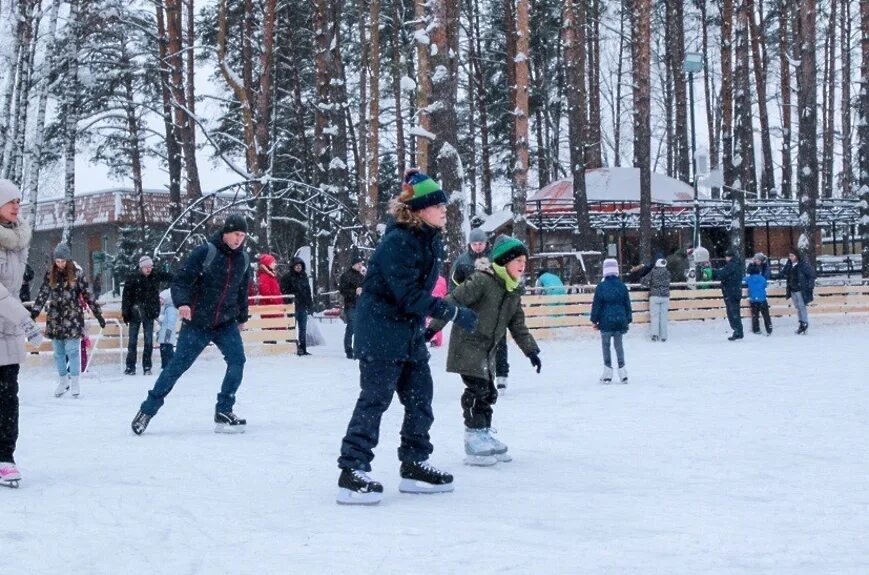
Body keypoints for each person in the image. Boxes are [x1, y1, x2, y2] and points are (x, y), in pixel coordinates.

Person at [336, 169, 478, 505]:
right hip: (380, 332)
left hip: (407, 332)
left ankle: (414, 463)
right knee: (375, 400)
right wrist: (453, 312)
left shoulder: (428, 238)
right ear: (418, 210)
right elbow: (407, 295)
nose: (444, 209)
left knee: (420, 398)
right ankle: (352, 470)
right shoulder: (398, 241)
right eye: (437, 204)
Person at [130, 213, 251, 435]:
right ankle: (147, 410)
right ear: (225, 232)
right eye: (235, 234)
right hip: (198, 322)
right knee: (177, 367)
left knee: (238, 361)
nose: (238, 239)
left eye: (242, 235)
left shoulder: (243, 260)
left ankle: (224, 409)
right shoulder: (205, 252)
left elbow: (242, 291)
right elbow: (180, 281)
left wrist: (242, 317)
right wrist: (183, 303)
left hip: (225, 323)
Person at [426, 235, 541, 466]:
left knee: (489, 392)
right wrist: (431, 330)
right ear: (504, 261)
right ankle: (473, 438)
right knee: (477, 390)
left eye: (524, 261)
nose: (522, 265)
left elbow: (517, 325)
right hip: (467, 345)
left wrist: (531, 351)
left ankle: (484, 433)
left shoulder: (513, 291)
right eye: (517, 260)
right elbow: (452, 300)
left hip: (487, 350)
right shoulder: (482, 281)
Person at [0, 179, 43, 488]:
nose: (17, 205)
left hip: (7, 328)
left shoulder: (19, 238)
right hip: (12, 319)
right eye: (10, 200)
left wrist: (18, 320)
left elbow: (14, 288)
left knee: (8, 396)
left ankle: (5, 457)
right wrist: (25, 319)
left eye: (19, 200)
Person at [31, 244, 105, 398]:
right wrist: (35, 311)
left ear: (68, 260)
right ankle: (63, 380)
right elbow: (43, 294)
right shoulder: (50, 274)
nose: (60, 264)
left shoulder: (77, 274)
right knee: (58, 353)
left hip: (73, 318)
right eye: (57, 261)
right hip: (55, 319)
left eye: (63, 261)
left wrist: (98, 314)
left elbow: (88, 295)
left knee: (73, 351)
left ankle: (76, 381)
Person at [451, 228, 511, 391]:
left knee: (498, 341)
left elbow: (507, 278)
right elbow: (454, 284)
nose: (478, 246)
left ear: (486, 243)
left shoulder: (496, 259)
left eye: (481, 243)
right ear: (470, 244)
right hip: (473, 310)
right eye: (475, 244)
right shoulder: (462, 261)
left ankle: (501, 374)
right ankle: (481, 374)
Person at [122, 255, 172, 375]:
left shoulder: (155, 276)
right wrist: (125, 312)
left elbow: (169, 277)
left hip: (149, 313)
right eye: (146, 267)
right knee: (132, 341)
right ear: (141, 267)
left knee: (148, 341)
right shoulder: (133, 278)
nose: (149, 269)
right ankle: (130, 367)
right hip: (135, 313)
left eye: (150, 267)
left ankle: (147, 366)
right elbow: (126, 297)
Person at [591, 258, 632, 384]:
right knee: (619, 346)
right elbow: (627, 304)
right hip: (620, 320)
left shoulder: (601, 287)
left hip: (605, 321)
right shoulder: (622, 286)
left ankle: (608, 372)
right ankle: (622, 371)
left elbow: (597, 305)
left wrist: (594, 320)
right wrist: (628, 319)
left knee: (606, 346)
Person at [280, 257, 314, 356]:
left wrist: (310, 305)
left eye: (300, 266)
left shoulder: (304, 277)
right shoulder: (287, 277)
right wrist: (290, 299)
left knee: (303, 328)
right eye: (297, 266)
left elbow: (308, 292)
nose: (299, 267)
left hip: (303, 306)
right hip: (292, 306)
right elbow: (283, 290)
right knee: (292, 327)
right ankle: (293, 348)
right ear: (293, 266)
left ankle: (303, 348)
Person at [780, 249, 816, 335]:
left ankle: (805, 323)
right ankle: (801, 323)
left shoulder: (803, 265)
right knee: (798, 307)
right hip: (792, 289)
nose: (791, 258)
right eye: (790, 256)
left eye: (792, 256)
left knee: (802, 306)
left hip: (800, 289)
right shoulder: (789, 264)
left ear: (797, 256)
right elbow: (783, 273)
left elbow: (812, 275)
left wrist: (809, 285)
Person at [712, 248, 745, 341]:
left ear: (729, 257)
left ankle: (738, 332)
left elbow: (722, 274)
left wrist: (712, 271)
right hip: (735, 291)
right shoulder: (737, 264)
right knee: (735, 313)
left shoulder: (732, 265)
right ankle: (738, 331)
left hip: (731, 292)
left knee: (733, 313)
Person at [338, 256, 365, 359]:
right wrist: (355, 292)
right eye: (358, 264)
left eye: (361, 264)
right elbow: (342, 290)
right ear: (354, 264)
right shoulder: (346, 275)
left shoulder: (362, 277)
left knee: (359, 328)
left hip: (361, 305)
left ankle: (358, 348)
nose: (360, 265)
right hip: (351, 304)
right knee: (352, 326)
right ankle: (349, 349)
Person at [641, 258, 670, 341]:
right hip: (665, 296)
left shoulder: (653, 272)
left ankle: (655, 335)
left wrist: (649, 285)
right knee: (663, 317)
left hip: (654, 296)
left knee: (655, 316)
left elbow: (644, 281)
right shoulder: (668, 273)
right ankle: (664, 336)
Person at [746, 263, 772, 335]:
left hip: (753, 300)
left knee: (755, 316)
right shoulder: (762, 278)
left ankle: (756, 329)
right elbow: (765, 284)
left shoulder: (749, 279)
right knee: (766, 315)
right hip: (762, 300)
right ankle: (769, 328)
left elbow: (744, 280)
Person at [157, 288, 178, 369]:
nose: (160, 301)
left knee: (167, 350)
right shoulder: (165, 308)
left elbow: (171, 322)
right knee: (163, 350)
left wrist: (168, 332)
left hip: (167, 335)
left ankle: (170, 364)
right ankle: (165, 364)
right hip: (163, 334)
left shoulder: (171, 309)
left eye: (161, 299)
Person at [427, 274, 448, 347]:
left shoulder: (429, 277)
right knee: (437, 321)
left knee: (428, 320)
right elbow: (445, 291)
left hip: (431, 301)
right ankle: (437, 340)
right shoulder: (443, 279)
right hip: (439, 301)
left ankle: (428, 337)